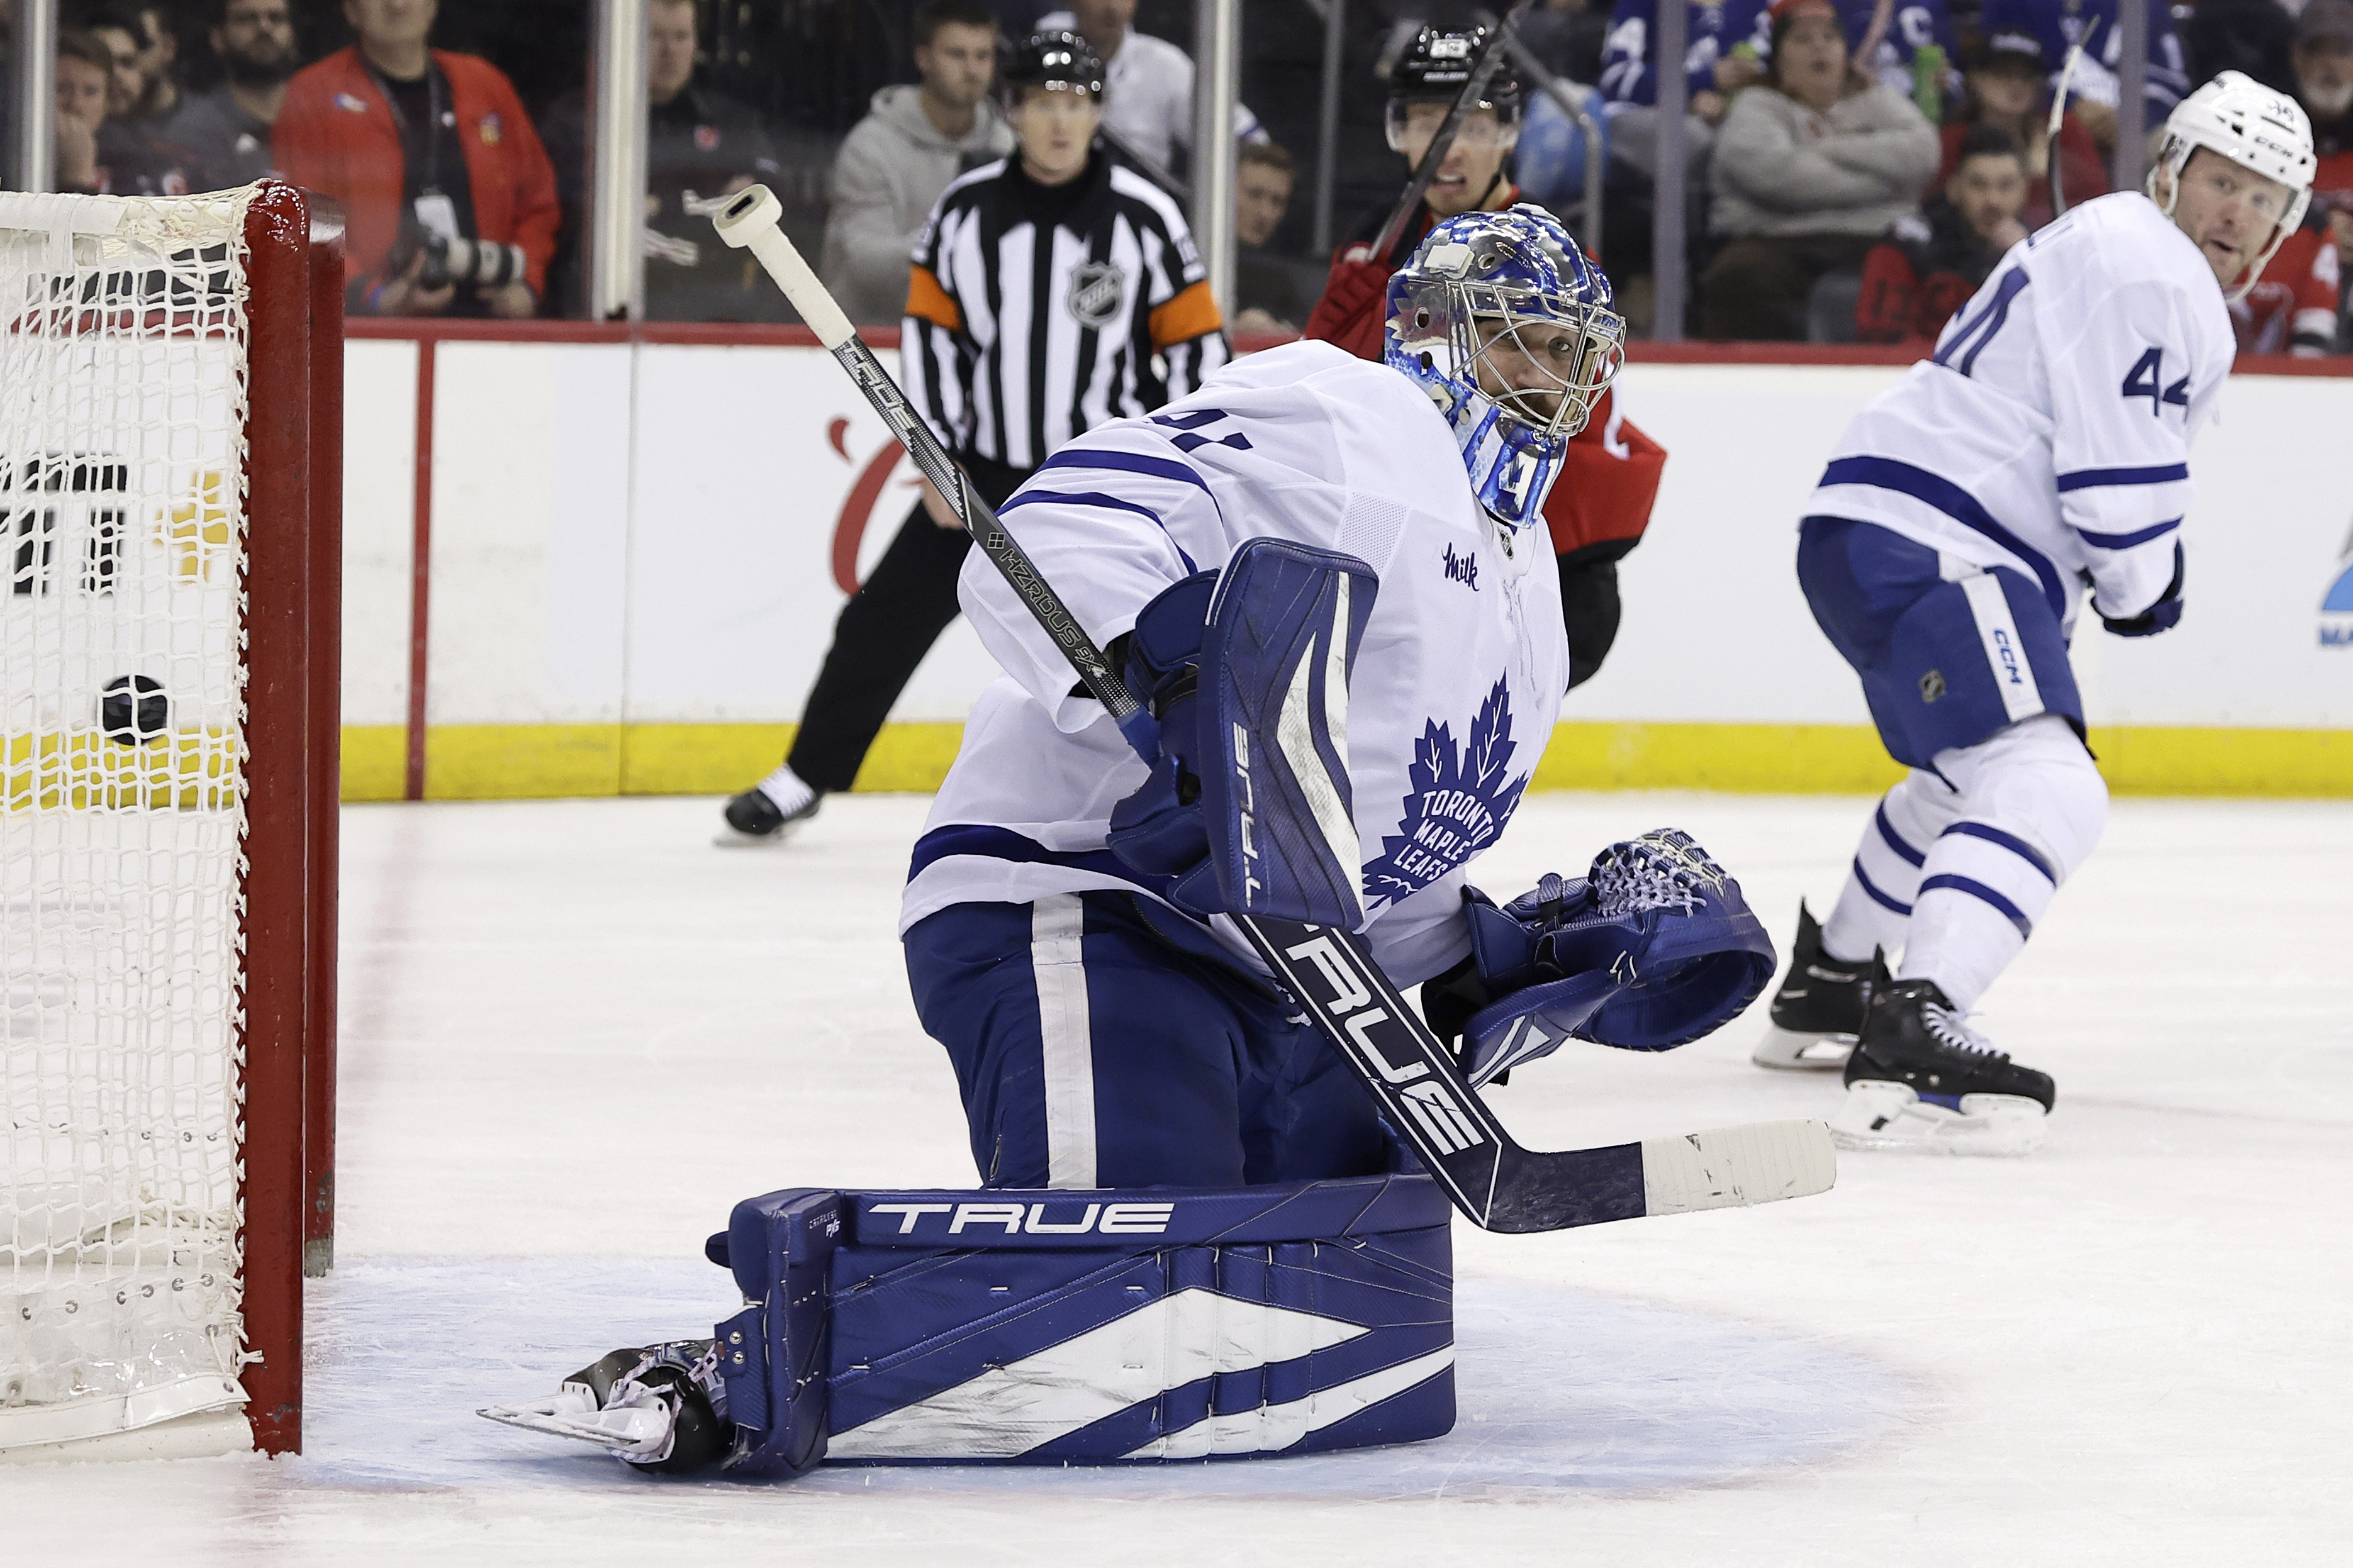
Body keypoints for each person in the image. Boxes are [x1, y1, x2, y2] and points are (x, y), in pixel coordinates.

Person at [1752, 72, 2313, 1154]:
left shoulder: (2107, 242)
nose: (2238, 210)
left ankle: (1833, 980)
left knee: (1960, 779)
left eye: (2266, 196)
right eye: (2222, 179)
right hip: (1941, 537)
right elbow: (2116, 501)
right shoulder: (2157, 270)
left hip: (1883, 524)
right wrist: (2153, 586)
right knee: (2050, 782)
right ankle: (1917, 1017)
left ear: (2286, 225)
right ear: (2172, 174)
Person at [717, 32, 1230, 844]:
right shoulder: (966, 211)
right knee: (881, 622)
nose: (1060, 123)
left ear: (1097, 112)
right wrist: (936, 454)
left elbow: (1196, 355)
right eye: (1042, 105)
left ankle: (1183, 790)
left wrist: (1169, 469)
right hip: (980, 472)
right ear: (1012, 112)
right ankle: (802, 776)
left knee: (1133, 647)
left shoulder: (1148, 218)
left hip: (1100, 480)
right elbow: (932, 335)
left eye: (1076, 104)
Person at [1304, 23, 1668, 692]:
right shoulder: (1371, 246)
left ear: (1506, 133)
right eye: (1423, 122)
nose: (1445, 146)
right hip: (1391, 552)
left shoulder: (1549, 262)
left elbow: (1554, 423)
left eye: (1467, 125)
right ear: (1396, 133)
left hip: (1503, 559)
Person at [272, 0, 559, 319]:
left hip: (489, 327)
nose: (397, 5)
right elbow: (300, 220)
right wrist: (374, 297)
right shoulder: (313, 95)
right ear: (351, 10)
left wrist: (528, 282)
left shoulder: (486, 86)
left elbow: (539, 203)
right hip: (373, 334)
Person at [1700, 0, 1940, 342]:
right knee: (1739, 276)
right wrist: (1887, 182)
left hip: (1871, 238)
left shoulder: (1877, 99)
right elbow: (1780, 178)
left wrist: (1826, 148)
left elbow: (1924, 152)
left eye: (1830, 38)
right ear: (1779, 59)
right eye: (1802, 39)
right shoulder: (1757, 104)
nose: (1819, 47)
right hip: (1774, 238)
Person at [540, 0, 780, 321]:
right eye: (654, 36)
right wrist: (709, 204)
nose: (669, 51)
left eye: (681, 37)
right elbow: (579, 214)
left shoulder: (732, 122)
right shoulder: (577, 121)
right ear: (622, 37)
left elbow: (772, 204)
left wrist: (659, 205)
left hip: (714, 316)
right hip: (601, 315)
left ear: (696, 44)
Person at [819, 0, 1014, 328]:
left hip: (966, 339)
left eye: (983, 56)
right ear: (923, 58)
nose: (972, 70)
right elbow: (864, 264)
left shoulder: (1006, 146)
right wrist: (950, 237)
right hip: (868, 338)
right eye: (957, 54)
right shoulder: (871, 146)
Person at [1032, 0, 1261, 179]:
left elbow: (1249, 138)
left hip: (1135, 206)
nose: (1113, 7)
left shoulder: (1164, 64)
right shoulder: (1042, 45)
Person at [1857, 125, 2030, 345]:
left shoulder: (2041, 251)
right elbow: (1882, 340)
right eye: (1978, 185)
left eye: (2006, 186)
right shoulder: (1907, 246)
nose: (1993, 200)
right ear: (1954, 189)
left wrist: (2026, 262)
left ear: (2025, 191)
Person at [1974, 0, 2191, 158]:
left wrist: (2129, 118)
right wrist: (2069, 105)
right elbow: (1999, 63)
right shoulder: (2015, 5)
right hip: (2037, 127)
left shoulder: (2146, 6)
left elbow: (2171, 82)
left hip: (2132, 133)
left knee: (2169, 150)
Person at [1938, 30, 2107, 231]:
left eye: (2027, 76)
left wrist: (2046, 177)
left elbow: (2099, 205)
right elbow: (1938, 208)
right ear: (1976, 78)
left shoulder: (2063, 129)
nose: (2016, 85)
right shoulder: (1951, 139)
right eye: (2003, 74)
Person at [1596, 0, 1771, 182]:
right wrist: (1703, 81)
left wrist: (1731, 98)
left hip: (1734, 118)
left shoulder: (1755, 7)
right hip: (1647, 114)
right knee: (1696, 138)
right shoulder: (1641, 4)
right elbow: (1615, 79)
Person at [161, 0, 301, 191]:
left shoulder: (322, 114)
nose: (264, 28)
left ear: (292, 32)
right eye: (247, 19)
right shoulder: (193, 130)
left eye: (276, 18)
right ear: (218, 38)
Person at [84, 6, 191, 194]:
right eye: (104, 63)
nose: (116, 75)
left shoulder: (180, 151)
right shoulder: (49, 147)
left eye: (127, 63)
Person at [1231, 140, 1317, 334]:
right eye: (1255, 195)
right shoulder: (1188, 261)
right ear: (1225, 191)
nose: (1265, 214)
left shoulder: (1279, 281)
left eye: (1277, 202)